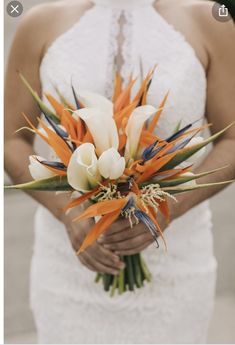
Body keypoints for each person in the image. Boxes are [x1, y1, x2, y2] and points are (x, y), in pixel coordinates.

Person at [4, 0, 235, 343]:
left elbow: (231, 139)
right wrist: (67, 214)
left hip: (175, 264)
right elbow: (10, 140)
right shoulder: (38, 23)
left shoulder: (210, 19)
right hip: (69, 268)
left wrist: (169, 208)